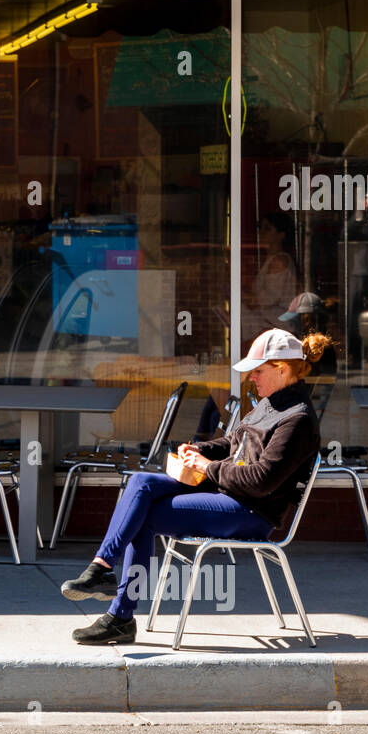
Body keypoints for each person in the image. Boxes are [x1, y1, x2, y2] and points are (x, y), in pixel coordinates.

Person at [58, 328, 331, 645]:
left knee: (143, 516)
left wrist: (206, 467)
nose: (251, 379)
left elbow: (261, 481)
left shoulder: (297, 419)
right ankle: (101, 568)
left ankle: (120, 616)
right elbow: (233, 442)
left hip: (251, 511)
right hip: (226, 494)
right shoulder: (271, 404)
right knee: (141, 483)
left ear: (281, 369)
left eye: (257, 371)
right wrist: (201, 450)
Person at [244, 213, 298, 338]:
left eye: (267, 228)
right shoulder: (269, 260)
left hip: (276, 328)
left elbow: (267, 299)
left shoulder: (279, 261)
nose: (261, 233)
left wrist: (244, 297)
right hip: (268, 326)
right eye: (260, 228)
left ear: (281, 235)